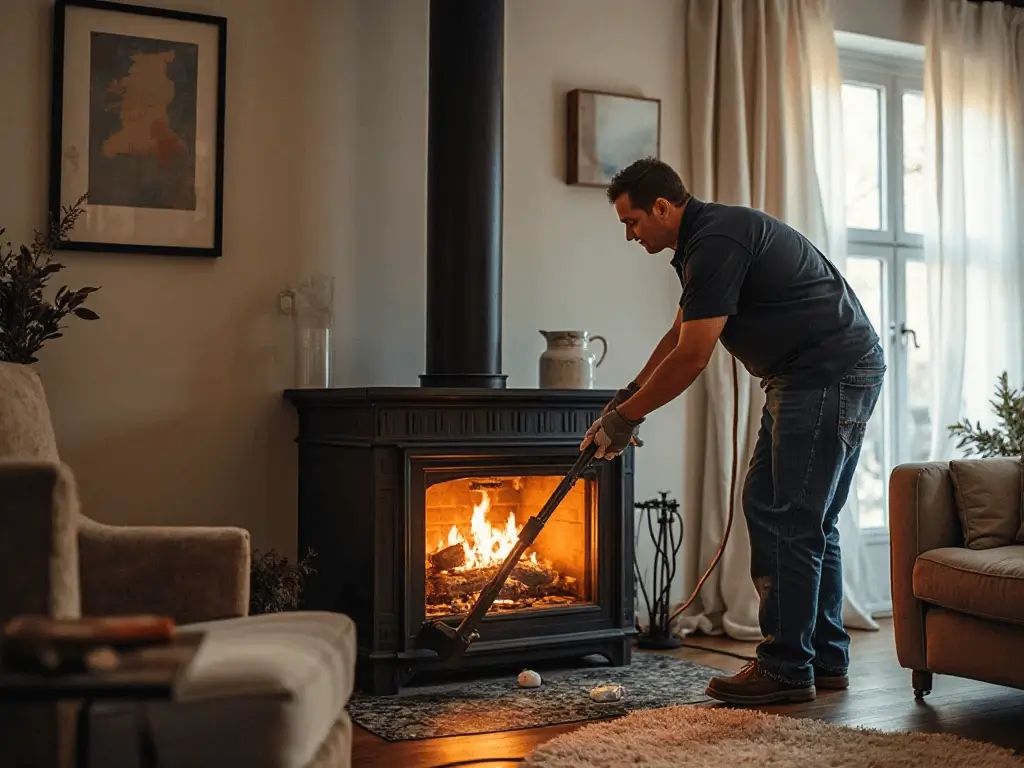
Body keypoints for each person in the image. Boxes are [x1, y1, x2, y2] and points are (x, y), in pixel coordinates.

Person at [580, 157, 885, 705]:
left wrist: (626, 421)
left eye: (632, 222)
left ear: (662, 207)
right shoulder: (704, 241)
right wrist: (625, 397)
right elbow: (679, 335)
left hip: (824, 372)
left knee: (791, 517)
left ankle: (787, 668)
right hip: (812, 373)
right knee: (792, 513)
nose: (630, 235)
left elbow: (693, 357)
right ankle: (824, 658)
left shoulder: (716, 241)